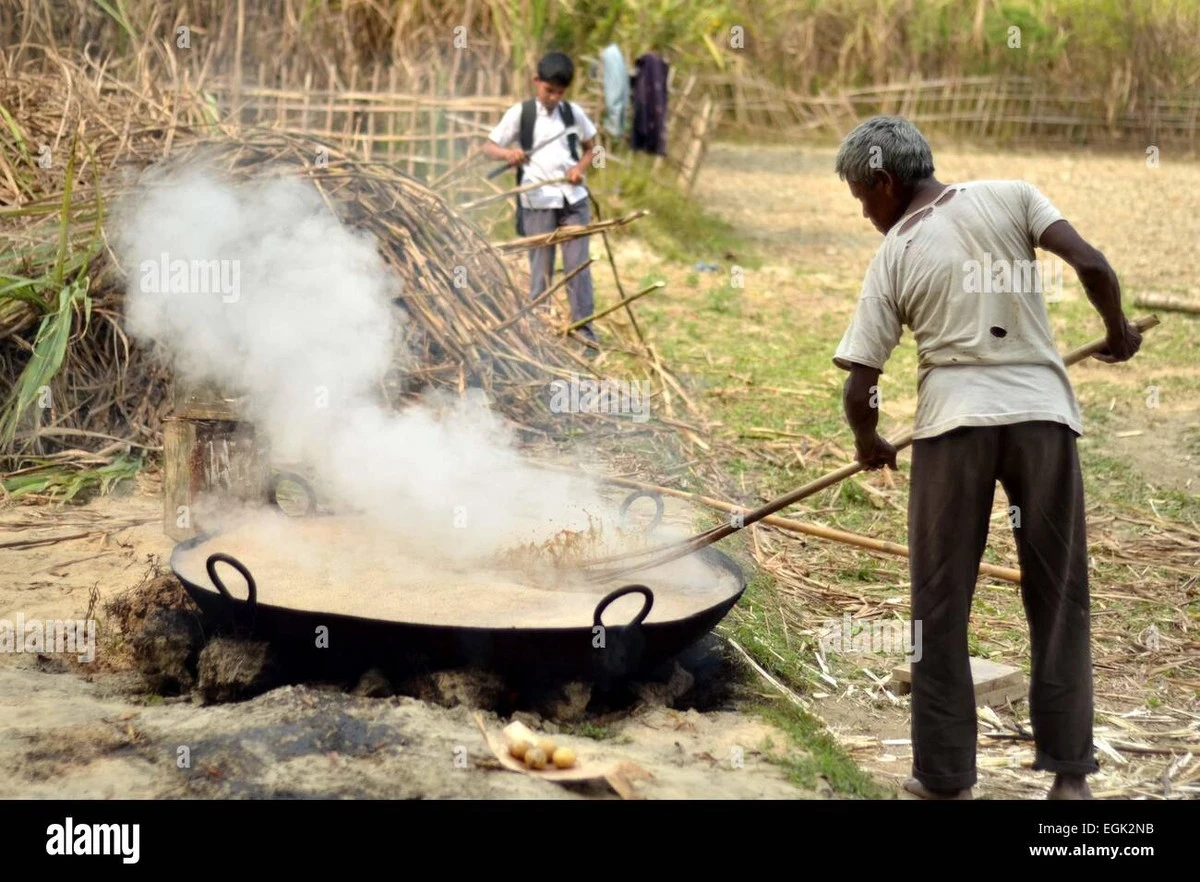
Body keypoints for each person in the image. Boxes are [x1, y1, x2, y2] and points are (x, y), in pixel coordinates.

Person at [829, 115, 1142, 801]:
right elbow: (1091, 264)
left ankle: (943, 780)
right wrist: (1116, 330)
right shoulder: (1014, 195)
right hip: (1042, 420)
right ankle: (1070, 780)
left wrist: (868, 441)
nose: (864, 213)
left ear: (884, 182)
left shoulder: (896, 253)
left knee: (938, 607)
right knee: (1058, 595)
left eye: (861, 198)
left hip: (954, 429)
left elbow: (861, 383)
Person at [484, 52, 600, 346]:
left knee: (577, 267)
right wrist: (509, 154)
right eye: (549, 90)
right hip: (537, 199)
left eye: (560, 93)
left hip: (573, 199)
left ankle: (584, 334)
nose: (553, 97)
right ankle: (539, 335)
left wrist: (579, 168)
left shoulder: (574, 114)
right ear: (537, 82)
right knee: (541, 269)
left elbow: (592, 149)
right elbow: (489, 147)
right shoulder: (521, 114)